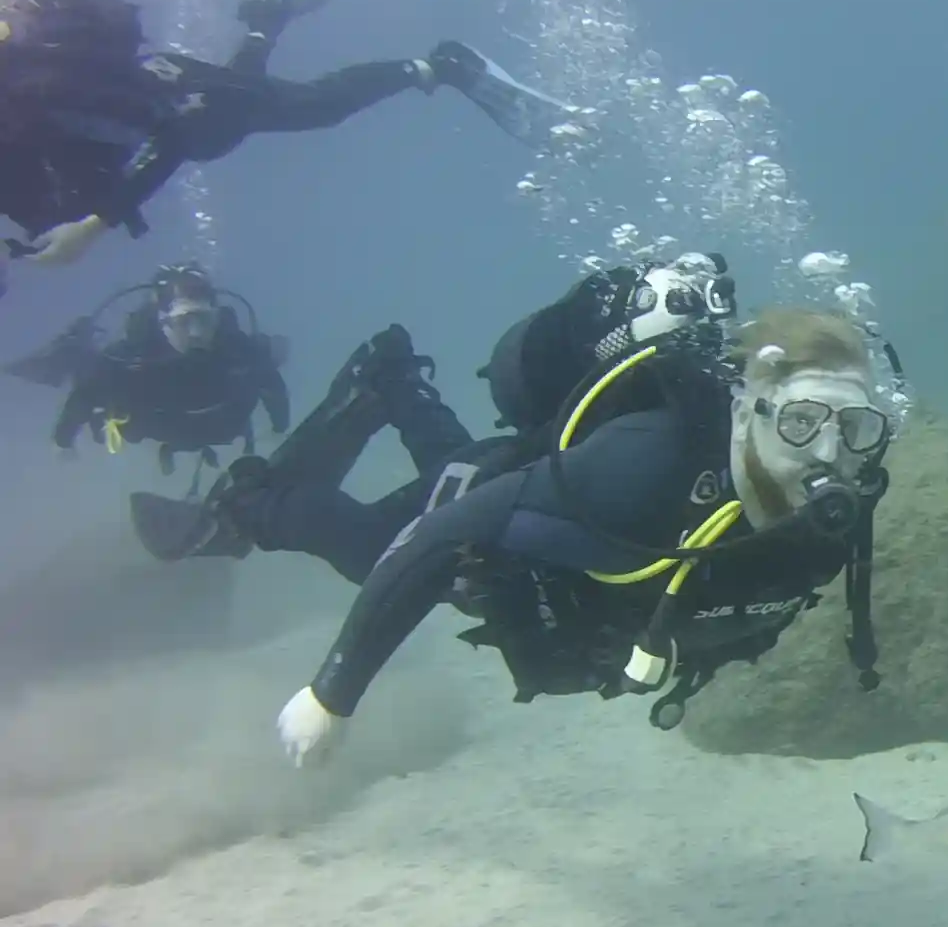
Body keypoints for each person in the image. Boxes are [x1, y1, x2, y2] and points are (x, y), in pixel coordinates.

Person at [134, 254, 907, 766]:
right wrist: (332, 696)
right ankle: (250, 507)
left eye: (857, 429)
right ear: (749, 408)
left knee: (461, 461)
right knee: (373, 544)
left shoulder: (841, 502)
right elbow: (447, 532)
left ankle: (396, 384)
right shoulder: (641, 465)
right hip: (486, 538)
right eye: (802, 422)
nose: (829, 454)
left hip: (543, 517)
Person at [0, 0, 576, 266]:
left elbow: (173, 135)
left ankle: (439, 65)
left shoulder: (36, 88)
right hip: (169, 94)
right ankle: (267, 17)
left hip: (173, 94)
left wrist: (93, 228)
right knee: (234, 112)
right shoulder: (24, 108)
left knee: (300, 109)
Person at [8, 262, 290, 482]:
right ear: (163, 321)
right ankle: (72, 350)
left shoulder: (239, 349)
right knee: (92, 371)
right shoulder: (129, 357)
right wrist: (63, 440)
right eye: (184, 322)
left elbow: (272, 384)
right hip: (161, 428)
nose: (195, 333)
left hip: (210, 428)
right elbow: (86, 395)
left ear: (216, 317)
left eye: (204, 320)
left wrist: (280, 425)